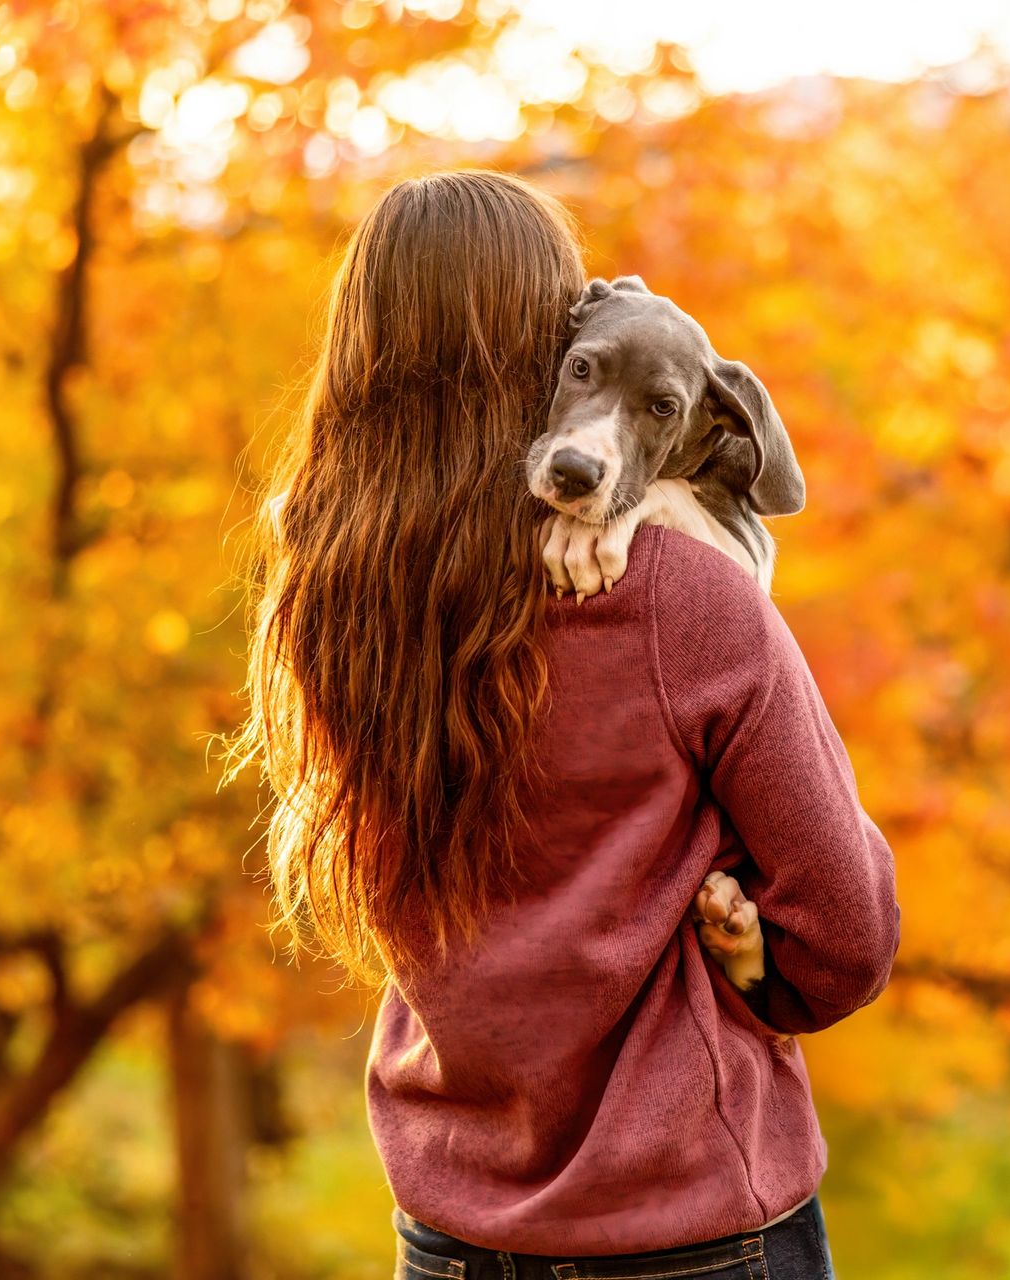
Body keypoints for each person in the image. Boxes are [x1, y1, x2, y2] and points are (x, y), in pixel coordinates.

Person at [234, 170, 899, 1280]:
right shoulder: (681, 596)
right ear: (538, 353)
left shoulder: (330, 596)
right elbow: (849, 933)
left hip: (451, 1232)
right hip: (688, 1228)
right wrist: (757, 979)